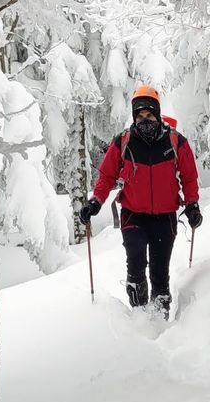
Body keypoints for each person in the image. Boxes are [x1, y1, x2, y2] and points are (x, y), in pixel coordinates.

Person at [81, 84, 202, 313]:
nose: (145, 120)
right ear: (134, 117)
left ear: (157, 114)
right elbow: (107, 175)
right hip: (133, 215)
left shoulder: (176, 142)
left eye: (149, 115)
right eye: (140, 116)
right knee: (136, 266)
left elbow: (189, 176)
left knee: (159, 271)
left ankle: (159, 321)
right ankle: (139, 318)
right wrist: (95, 201)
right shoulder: (124, 142)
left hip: (165, 217)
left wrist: (193, 204)